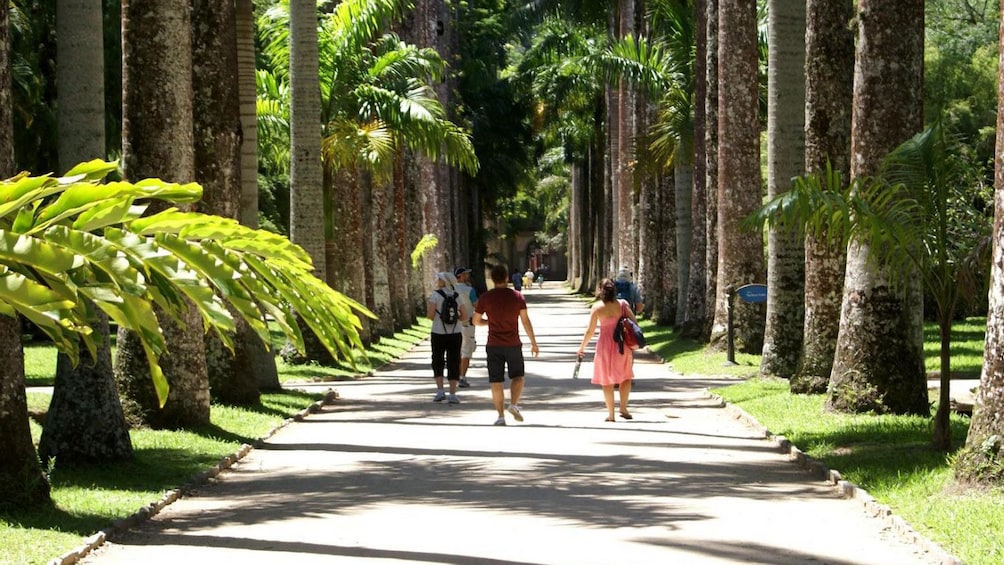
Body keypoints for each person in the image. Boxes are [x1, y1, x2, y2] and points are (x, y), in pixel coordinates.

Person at [473, 263, 540, 425]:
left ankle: (500, 416)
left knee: (496, 381)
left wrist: (490, 322)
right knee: (518, 377)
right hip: (513, 343)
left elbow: (476, 321)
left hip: (493, 344)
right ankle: (514, 404)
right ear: (507, 278)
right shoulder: (517, 297)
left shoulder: (485, 298)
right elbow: (525, 321)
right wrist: (533, 342)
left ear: (492, 279)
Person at [577, 278, 636, 422]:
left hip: (604, 346)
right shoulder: (623, 304)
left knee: (606, 380)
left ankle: (611, 414)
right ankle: (623, 408)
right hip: (622, 345)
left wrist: (582, 347)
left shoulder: (597, 307)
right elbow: (634, 323)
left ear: (600, 291)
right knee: (626, 376)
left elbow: (590, 331)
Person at [427, 272, 469, 404]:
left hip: (438, 332)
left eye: (439, 279)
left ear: (444, 281)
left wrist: (440, 319)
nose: (437, 280)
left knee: (438, 360)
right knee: (454, 361)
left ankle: (440, 391)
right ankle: (452, 393)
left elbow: (430, 315)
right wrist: (454, 320)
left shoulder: (435, 295)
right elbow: (464, 315)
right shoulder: (457, 296)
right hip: (455, 333)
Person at [453, 266, 479, 388]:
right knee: (466, 351)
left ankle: (455, 375)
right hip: (467, 324)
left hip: (452, 325)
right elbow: (477, 306)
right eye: (466, 274)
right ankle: (462, 377)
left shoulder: (450, 290)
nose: (467, 276)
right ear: (461, 276)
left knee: (456, 350)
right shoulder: (469, 290)